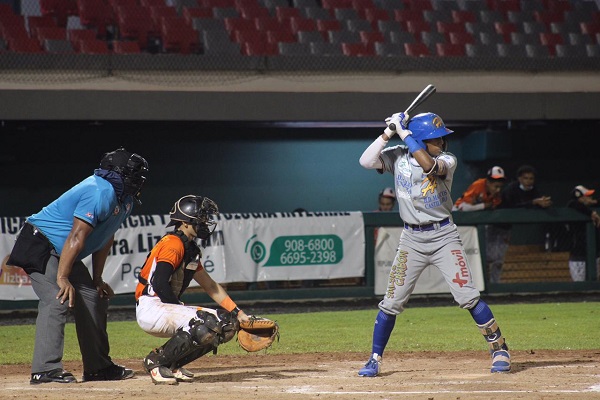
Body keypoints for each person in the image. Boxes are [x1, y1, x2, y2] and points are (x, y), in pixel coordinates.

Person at [357, 111, 510, 377]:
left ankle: (500, 349)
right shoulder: (398, 156)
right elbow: (365, 161)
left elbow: (429, 167)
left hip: (443, 236)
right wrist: (388, 133)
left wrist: (405, 133)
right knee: (390, 302)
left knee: (468, 296)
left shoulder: (446, 160)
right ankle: (374, 358)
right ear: (422, 138)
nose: (442, 143)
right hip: (411, 240)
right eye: (436, 139)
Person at [6, 147, 148, 384]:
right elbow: (76, 237)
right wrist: (63, 278)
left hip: (60, 250)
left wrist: (97, 278)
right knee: (56, 297)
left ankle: (97, 368)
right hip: (39, 243)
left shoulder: (125, 200)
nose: (137, 180)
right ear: (116, 172)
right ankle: (45, 370)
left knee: (93, 298)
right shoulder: (99, 191)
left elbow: (106, 236)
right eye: (133, 174)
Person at [135, 195, 251, 385]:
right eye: (201, 217)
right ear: (184, 222)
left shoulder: (190, 249)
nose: (205, 222)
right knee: (204, 321)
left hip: (163, 306)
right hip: (152, 306)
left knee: (227, 324)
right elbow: (159, 283)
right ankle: (155, 361)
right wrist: (182, 309)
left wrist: (238, 313)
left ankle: (172, 364)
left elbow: (210, 286)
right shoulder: (173, 243)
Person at [453, 166, 509, 283]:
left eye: (500, 185)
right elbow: (462, 207)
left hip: (474, 227)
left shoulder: (497, 195)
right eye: (495, 185)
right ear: (488, 182)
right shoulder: (479, 185)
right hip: (458, 221)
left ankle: (488, 284)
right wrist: (483, 206)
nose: (498, 189)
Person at [565, 185, 600, 281]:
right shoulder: (573, 207)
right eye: (587, 196)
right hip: (579, 255)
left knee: (595, 285)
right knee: (580, 285)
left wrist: (594, 203)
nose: (590, 198)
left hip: (595, 254)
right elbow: (572, 203)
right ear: (579, 197)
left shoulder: (592, 208)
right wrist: (591, 213)